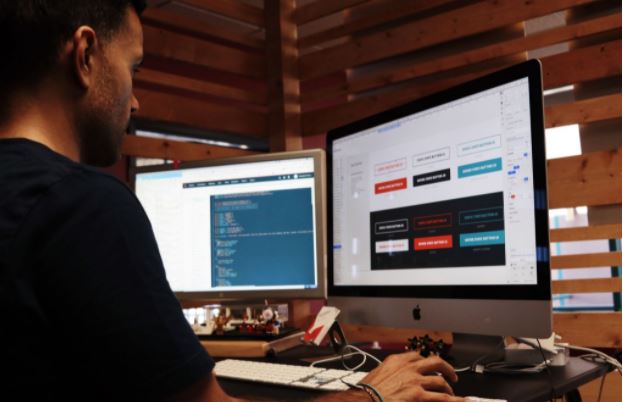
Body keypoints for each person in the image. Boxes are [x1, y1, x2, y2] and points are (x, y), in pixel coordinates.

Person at [0, 1, 467, 401]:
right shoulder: (83, 207)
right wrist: (373, 393)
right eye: (133, 68)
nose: (135, 101)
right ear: (85, 55)